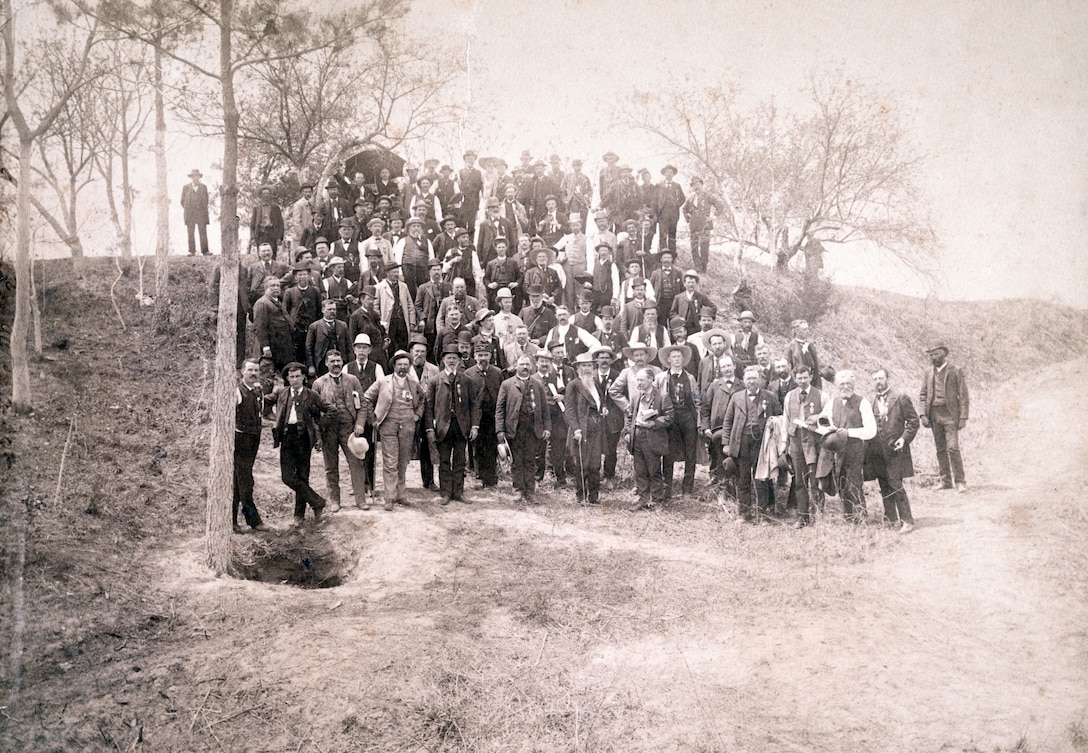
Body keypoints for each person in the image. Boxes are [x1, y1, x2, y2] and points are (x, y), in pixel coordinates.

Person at [273, 362, 338, 525]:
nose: (294, 380)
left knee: (302, 476)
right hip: (287, 437)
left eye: (297, 376)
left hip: (304, 439)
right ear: (287, 378)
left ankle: (299, 516)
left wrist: (320, 425)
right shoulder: (283, 393)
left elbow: (331, 409)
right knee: (287, 477)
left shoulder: (311, 395)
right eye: (291, 376)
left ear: (303, 377)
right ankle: (317, 501)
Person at [363, 349, 425, 511]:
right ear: (394, 365)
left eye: (406, 364)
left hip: (407, 425)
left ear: (409, 366)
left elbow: (423, 399)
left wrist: (417, 415)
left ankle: (401, 494)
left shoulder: (413, 383)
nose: (403, 367)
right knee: (390, 462)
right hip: (388, 425)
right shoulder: (384, 381)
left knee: (403, 460)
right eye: (400, 364)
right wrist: (373, 418)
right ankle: (389, 497)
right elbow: (367, 398)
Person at [722, 365, 783, 523]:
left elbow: (780, 417)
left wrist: (773, 423)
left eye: (755, 378)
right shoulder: (736, 397)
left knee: (761, 479)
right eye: (749, 379)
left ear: (760, 380)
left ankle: (763, 515)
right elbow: (728, 421)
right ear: (743, 380)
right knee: (743, 479)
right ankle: (744, 514)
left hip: (762, 444)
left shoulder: (769, 397)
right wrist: (726, 443)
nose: (752, 381)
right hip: (741, 442)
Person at [311, 349, 368, 512]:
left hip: (349, 428)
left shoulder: (352, 380)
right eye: (332, 361)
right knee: (330, 466)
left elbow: (363, 404)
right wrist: (318, 434)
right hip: (328, 429)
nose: (336, 364)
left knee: (356, 462)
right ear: (326, 364)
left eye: (338, 361)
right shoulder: (319, 383)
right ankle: (335, 500)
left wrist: (360, 423)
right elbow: (314, 412)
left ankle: (360, 499)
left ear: (342, 362)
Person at [423, 343, 481, 505]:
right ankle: (445, 493)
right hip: (442, 427)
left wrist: (474, 426)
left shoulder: (466, 380)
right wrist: (430, 429)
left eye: (454, 358)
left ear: (459, 361)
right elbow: (428, 407)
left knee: (460, 460)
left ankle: (459, 492)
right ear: (443, 360)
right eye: (448, 358)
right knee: (444, 461)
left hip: (461, 427)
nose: (451, 361)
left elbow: (474, 405)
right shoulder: (435, 381)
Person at [865, 368, 920, 533]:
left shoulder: (901, 398)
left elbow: (913, 421)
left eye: (880, 378)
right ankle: (891, 518)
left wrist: (903, 439)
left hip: (896, 449)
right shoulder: (870, 401)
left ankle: (907, 520)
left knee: (895, 483)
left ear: (887, 378)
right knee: (883, 484)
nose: (878, 382)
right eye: (875, 379)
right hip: (877, 451)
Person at [819, 370, 877, 523]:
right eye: (842, 384)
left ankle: (861, 517)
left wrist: (849, 432)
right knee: (841, 482)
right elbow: (823, 421)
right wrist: (829, 430)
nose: (845, 387)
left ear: (853, 385)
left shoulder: (862, 402)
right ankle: (849, 517)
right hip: (837, 451)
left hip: (855, 449)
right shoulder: (833, 402)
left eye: (848, 384)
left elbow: (871, 430)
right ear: (837, 386)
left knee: (854, 483)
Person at [496, 354, 552, 504]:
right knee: (517, 461)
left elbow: (545, 409)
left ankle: (530, 491)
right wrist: (500, 430)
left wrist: (547, 427)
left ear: (531, 366)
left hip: (533, 429)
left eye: (527, 365)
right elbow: (500, 409)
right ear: (516, 366)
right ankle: (518, 490)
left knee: (530, 461)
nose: (525, 367)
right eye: (522, 364)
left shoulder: (537, 384)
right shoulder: (507, 385)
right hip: (514, 428)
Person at [918, 341, 970, 492]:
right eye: (931, 354)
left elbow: (964, 396)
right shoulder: (928, 372)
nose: (933, 357)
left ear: (944, 354)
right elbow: (923, 395)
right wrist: (922, 414)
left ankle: (960, 481)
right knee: (940, 449)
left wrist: (963, 417)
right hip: (934, 416)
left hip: (950, 416)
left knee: (953, 448)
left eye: (936, 354)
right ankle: (945, 481)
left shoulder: (955, 370)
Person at [783, 365, 829, 528]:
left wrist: (818, 417)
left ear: (810, 377)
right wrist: (784, 444)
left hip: (814, 443)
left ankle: (819, 516)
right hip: (796, 442)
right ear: (795, 379)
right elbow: (786, 420)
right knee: (800, 482)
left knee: (816, 481)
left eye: (805, 377)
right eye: (799, 378)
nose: (802, 381)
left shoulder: (822, 396)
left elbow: (829, 418)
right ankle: (803, 517)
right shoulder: (789, 396)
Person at [625, 367, 674, 511]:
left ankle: (657, 500)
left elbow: (670, 417)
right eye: (637, 380)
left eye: (641, 380)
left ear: (651, 379)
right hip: (637, 437)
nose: (638, 382)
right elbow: (629, 417)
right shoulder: (636, 396)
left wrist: (655, 423)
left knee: (653, 470)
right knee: (639, 470)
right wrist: (628, 432)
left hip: (653, 437)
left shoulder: (662, 396)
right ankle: (643, 499)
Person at [656, 344, 702, 498]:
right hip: (670, 419)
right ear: (668, 360)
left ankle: (687, 489)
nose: (676, 359)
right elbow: (656, 399)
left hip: (687, 417)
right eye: (673, 357)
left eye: (679, 357)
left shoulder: (690, 378)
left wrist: (698, 420)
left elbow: (697, 400)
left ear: (683, 359)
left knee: (690, 453)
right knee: (668, 453)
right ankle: (666, 488)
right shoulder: (661, 378)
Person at [345, 333, 384, 503]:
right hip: (353, 416)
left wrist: (375, 416)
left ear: (369, 350)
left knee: (370, 450)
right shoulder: (347, 367)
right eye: (358, 347)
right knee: (354, 450)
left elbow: (382, 391)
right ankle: (358, 485)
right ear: (354, 349)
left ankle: (370, 485)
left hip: (370, 416)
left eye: (364, 348)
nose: (361, 351)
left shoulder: (376, 368)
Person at [565, 352, 607, 505]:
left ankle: (594, 497)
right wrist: (576, 429)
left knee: (595, 463)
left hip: (596, 428)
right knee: (583, 463)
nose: (587, 368)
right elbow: (569, 410)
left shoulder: (595, 383)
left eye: (590, 365)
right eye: (584, 365)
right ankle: (581, 496)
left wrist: (603, 409)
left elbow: (600, 402)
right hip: (581, 430)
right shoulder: (573, 385)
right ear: (577, 368)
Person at [233, 359, 270, 531]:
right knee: (244, 480)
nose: (253, 373)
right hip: (240, 441)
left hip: (253, 439)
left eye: (256, 370)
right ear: (242, 372)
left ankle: (233, 521)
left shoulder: (257, 391)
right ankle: (252, 520)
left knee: (240, 479)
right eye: (250, 370)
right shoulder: (237, 392)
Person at [464, 342, 504, 488]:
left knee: (492, 446)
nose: (483, 358)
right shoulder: (469, 374)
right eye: (480, 355)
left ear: (491, 356)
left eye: (485, 355)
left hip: (492, 416)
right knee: (477, 447)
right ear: (475, 356)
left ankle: (491, 477)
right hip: (476, 417)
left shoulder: (497, 372)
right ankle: (479, 476)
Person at [535, 349, 572, 488]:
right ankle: (538, 479)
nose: (544, 364)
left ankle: (560, 479)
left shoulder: (555, 377)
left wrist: (563, 397)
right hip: (540, 419)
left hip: (556, 417)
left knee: (558, 448)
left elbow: (565, 392)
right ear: (537, 362)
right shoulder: (533, 379)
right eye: (542, 361)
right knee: (539, 449)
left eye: (547, 361)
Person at [700, 357, 739, 487]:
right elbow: (705, 408)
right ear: (720, 369)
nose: (727, 369)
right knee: (716, 455)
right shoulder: (714, 386)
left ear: (734, 366)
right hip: (717, 428)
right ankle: (717, 481)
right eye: (724, 367)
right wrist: (706, 428)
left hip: (736, 429)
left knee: (733, 456)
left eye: (729, 365)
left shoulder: (742, 385)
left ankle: (733, 483)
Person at [409, 336, 440, 491]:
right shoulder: (404, 368)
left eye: (422, 351)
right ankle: (400, 483)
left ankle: (429, 480)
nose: (419, 354)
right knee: (405, 446)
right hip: (410, 412)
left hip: (428, 412)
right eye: (416, 351)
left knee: (428, 446)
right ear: (411, 352)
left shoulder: (434, 370)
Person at [282, 261, 323, 364]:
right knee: (297, 353)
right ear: (295, 277)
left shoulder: (315, 291)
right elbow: (284, 310)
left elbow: (319, 309)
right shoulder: (290, 292)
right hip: (296, 329)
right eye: (299, 275)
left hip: (311, 327)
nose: (302, 277)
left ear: (308, 276)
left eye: (304, 274)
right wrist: (291, 323)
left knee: (311, 351)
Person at [252, 278, 294, 372]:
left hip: (281, 346)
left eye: (278, 286)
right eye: (273, 286)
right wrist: (265, 347)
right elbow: (260, 327)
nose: (276, 288)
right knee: (267, 375)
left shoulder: (278, 302)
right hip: (270, 347)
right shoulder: (262, 303)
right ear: (266, 288)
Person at [376, 262, 416, 358]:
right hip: (389, 322)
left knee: (404, 345)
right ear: (387, 273)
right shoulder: (379, 287)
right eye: (393, 272)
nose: (396, 274)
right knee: (390, 347)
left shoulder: (403, 286)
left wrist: (412, 322)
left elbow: (410, 304)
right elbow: (375, 306)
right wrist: (380, 322)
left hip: (402, 321)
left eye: (397, 272)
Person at [682, 176, 721, 273]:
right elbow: (683, 209)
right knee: (694, 247)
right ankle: (697, 266)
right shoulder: (690, 198)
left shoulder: (708, 196)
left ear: (702, 185)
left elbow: (719, 206)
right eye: (694, 185)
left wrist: (713, 216)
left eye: (698, 184)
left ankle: (704, 267)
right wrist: (688, 218)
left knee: (704, 247)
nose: (696, 186)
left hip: (705, 225)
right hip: (694, 226)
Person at [414, 259, 451, 358]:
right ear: (430, 272)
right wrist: (422, 318)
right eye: (434, 270)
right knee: (430, 346)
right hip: (429, 323)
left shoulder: (448, 286)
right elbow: (417, 305)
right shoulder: (423, 288)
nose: (436, 272)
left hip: (444, 322)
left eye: (438, 269)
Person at [392, 215, 434, 301]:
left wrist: (431, 273)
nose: (416, 228)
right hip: (408, 271)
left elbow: (431, 258)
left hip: (423, 271)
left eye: (418, 226)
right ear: (409, 228)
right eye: (414, 226)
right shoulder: (403, 241)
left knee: (424, 294)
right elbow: (398, 259)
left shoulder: (427, 241)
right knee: (410, 295)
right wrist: (400, 274)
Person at [305, 299, 350, 378]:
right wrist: (311, 365)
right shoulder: (314, 326)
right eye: (329, 309)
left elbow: (349, 346)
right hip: (322, 363)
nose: (332, 311)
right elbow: (308, 348)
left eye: (334, 309)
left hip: (340, 362)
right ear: (323, 310)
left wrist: (350, 364)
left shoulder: (343, 325)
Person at [670, 270, 715, 336]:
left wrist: (705, 315)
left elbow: (713, 307)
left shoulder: (701, 297)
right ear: (684, 284)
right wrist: (679, 318)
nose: (690, 285)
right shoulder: (678, 297)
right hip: (683, 327)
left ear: (696, 284)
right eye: (688, 282)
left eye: (692, 282)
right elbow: (672, 313)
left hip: (696, 328)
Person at [649, 249, 685, 323]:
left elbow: (682, 289)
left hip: (674, 303)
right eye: (665, 258)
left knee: (675, 323)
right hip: (660, 303)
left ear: (672, 259)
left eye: (668, 258)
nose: (666, 260)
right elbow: (650, 289)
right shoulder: (655, 274)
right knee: (661, 324)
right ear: (661, 259)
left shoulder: (678, 273)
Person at [785, 319, 822, 389]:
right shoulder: (790, 347)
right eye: (804, 329)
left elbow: (816, 363)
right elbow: (787, 367)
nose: (807, 331)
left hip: (813, 381)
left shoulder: (810, 344)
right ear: (796, 331)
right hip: (798, 382)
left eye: (807, 329)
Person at [249, 185, 284, 258]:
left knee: (272, 254)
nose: (266, 195)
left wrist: (279, 238)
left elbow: (281, 224)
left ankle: (272, 269)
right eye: (264, 194)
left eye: (268, 193)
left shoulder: (275, 208)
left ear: (270, 195)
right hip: (261, 234)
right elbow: (252, 225)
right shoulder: (256, 209)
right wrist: (253, 238)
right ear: (261, 195)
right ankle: (262, 269)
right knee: (262, 254)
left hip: (272, 234)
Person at [181, 168, 210, 256]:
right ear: (191, 178)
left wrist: (200, 208)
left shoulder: (204, 187)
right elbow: (182, 201)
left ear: (199, 177)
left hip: (201, 213)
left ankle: (205, 251)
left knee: (203, 232)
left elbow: (206, 201)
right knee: (190, 232)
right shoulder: (186, 187)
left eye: (197, 176)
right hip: (190, 214)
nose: (195, 178)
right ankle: (191, 251)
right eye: (193, 177)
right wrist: (189, 209)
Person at [459, 150, 484, 234]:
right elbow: (459, 187)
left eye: (472, 158)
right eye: (468, 158)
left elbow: (480, 187)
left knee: (472, 225)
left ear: (474, 160)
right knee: (462, 224)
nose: (470, 160)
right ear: (465, 160)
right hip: (464, 202)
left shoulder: (478, 173)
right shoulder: (461, 172)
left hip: (474, 202)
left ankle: (471, 244)